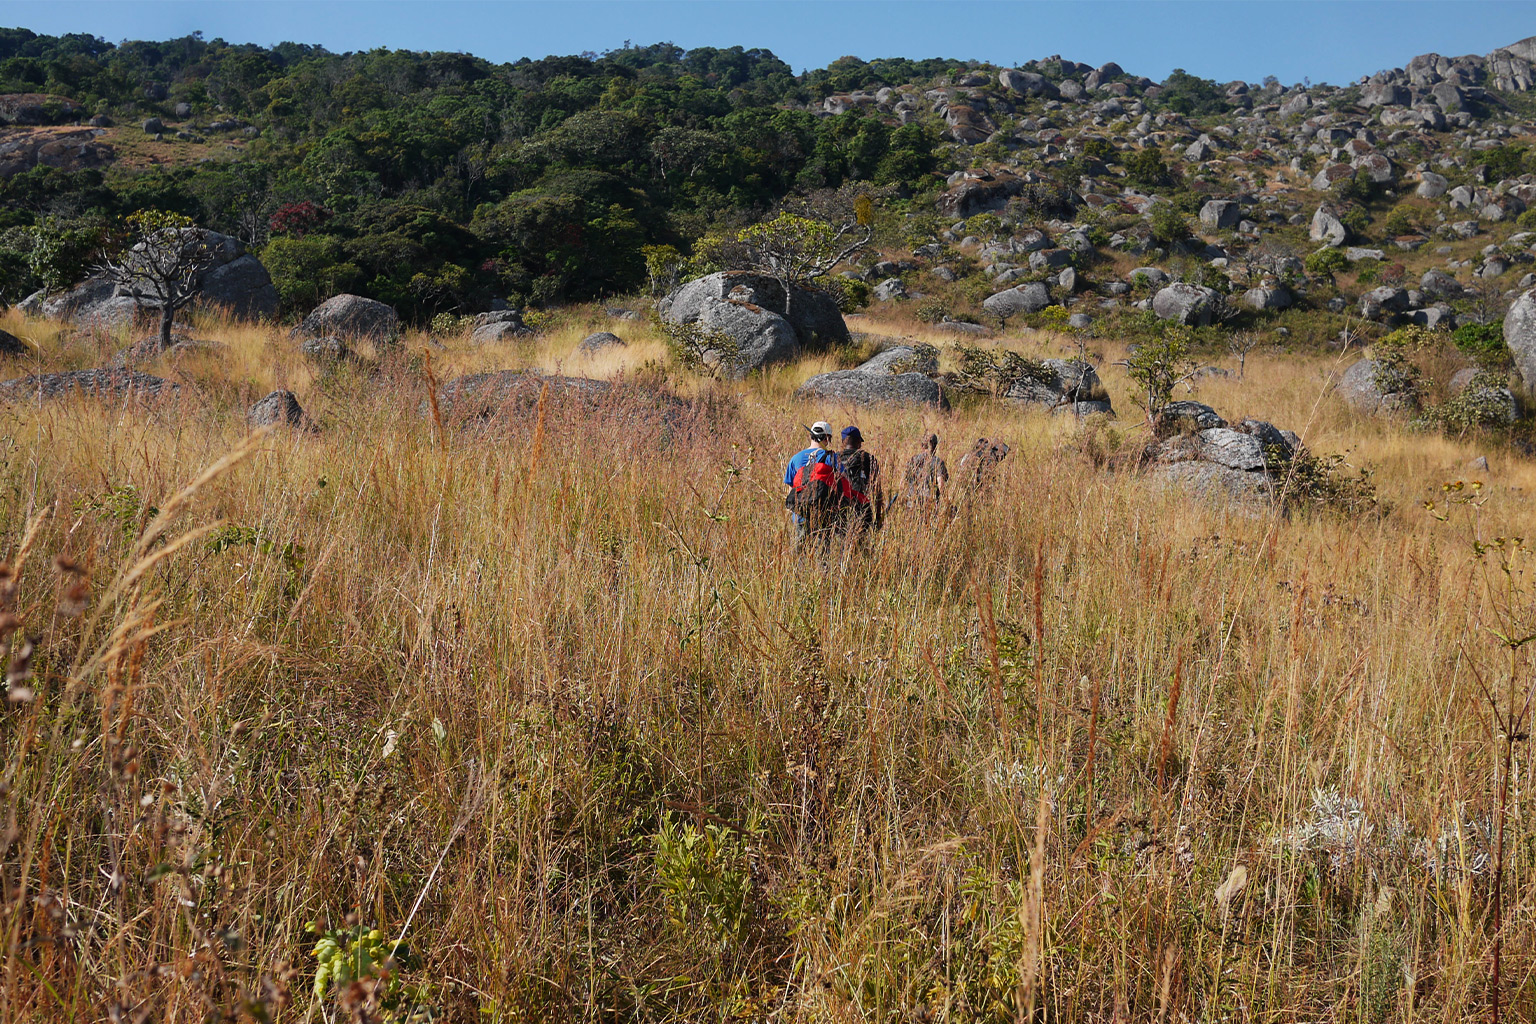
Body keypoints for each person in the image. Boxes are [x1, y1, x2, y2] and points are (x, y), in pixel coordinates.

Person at [784, 421, 852, 547]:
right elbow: (844, 481)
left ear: (811, 436)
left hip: (800, 515)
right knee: (822, 557)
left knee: (799, 555)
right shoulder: (833, 458)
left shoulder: (795, 459)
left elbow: (790, 489)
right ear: (827, 438)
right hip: (823, 515)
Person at [838, 425, 882, 532]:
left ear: (843, 442)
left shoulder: (834, 458)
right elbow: (876, 490)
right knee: (861, 544)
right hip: (862, 508)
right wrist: (878, 515)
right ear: (858, 442)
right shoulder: (869, 459)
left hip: (839, 510)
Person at [901, 433, 949, 512]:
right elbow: (941, 485)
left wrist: (904, 500)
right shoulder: (938, 462)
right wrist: (947, 503)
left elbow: (902, 484)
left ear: (922, 446)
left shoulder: (912, 460)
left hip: (911, 505)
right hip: (929, 507)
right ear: (935, 447)